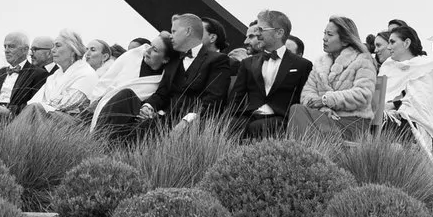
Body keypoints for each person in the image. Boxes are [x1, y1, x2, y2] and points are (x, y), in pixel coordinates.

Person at [373, 23, 433, 161]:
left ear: (406, 43)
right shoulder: (388, 66)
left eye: (392, 42)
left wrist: (393, 106)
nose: (388, 47)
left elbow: (421, 102)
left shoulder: (424, 67)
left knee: (384, 123)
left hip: (414, 122)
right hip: (384, 117)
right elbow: (378, 97)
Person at [230, 9, 314, 138]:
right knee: (230, 124)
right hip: (249, 115)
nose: (257, 34)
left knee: (257, 127)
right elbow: (236, 98)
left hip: (281, 119)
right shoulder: (247, 63)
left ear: (279, 33)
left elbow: (303, 100)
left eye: (261, 29)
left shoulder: (302, 65)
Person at [293, 17, 380, 141]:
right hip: (324, 118)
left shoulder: (362, 60)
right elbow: (307, 93)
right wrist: (324, 108)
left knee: (299, 115)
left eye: (330, 34)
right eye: (324, 33)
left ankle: (308, 154)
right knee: (297, 109)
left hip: (352, 122)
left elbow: (363, 94)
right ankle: (314, 154)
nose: (324, 38)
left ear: (345, 40)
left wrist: (326, 100)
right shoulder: (320, 63)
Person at [154, 13, 235, 124]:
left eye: (200, 31)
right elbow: (162, 93)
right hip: (164, 118)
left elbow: (214, 100)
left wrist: (188, 120)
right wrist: (149, 107)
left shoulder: (220, 61)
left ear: (212, 37)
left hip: (194, 123)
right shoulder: (176, 59)